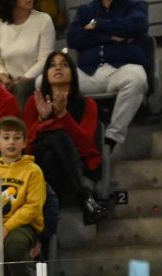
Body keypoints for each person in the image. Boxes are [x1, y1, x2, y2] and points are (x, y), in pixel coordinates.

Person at [28, 50, 108, 224]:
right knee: (56, 138)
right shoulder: (34, 102)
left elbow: (87, 144)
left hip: (74, 160)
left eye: (64, 65)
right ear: (46, 74)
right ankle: (85, 198)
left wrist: (63, 115)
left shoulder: (87, 104)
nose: (58, 68)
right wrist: (42, 118)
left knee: (54, 153)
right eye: (52, 65)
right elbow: (25, 143)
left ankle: (48, 216)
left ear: (72, 73)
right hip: (36, 161)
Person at [66, 0, 149, 149]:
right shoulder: (87, 10)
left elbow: (136, 25)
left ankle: (112, 138)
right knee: (42, 82)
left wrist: (97, 24)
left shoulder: (134, 5)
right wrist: (108, 37)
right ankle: (64, 137)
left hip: (121, 68)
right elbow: (73, 38)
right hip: (88, 72)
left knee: (137, 79)